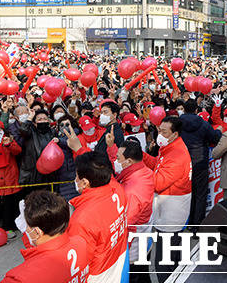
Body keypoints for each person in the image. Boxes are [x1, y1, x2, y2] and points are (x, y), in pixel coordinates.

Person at [68, 151, 129, 283]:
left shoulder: (82, 219)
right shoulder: (117, 188)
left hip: (100, 275)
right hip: (120, 260)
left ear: (85, 182)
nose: (75, 179)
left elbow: (79, 263)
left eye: (77, 176)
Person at [142, 116, 192, 233]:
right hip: (165, 205)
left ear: (175, 134)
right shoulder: (169, 147)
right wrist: (142, 156)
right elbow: (158, 164)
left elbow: (158, 183)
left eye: (164, 132)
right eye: (159, 130)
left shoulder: (177, 155)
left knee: (167, 249)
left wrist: (139, 171)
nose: (160, 134)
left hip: (172, 210)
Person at [179, 99, 222, 229]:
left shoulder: (177, 124)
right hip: (200, 162)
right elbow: (214, 138)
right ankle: (197, 225)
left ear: (184, 109)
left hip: (183, 163)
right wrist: (219, 131)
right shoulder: (203, 124)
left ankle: (186, 222)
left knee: (186, 194)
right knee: (200, 194)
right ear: (197, 110)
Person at [115, 139, 154, 274]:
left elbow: (128, 225)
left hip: (134, 249)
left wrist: (121, 253)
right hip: (144, 239)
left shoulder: (132, 191)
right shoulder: (145, 171)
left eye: (118, 158)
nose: (116, 161)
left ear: (129, 161)